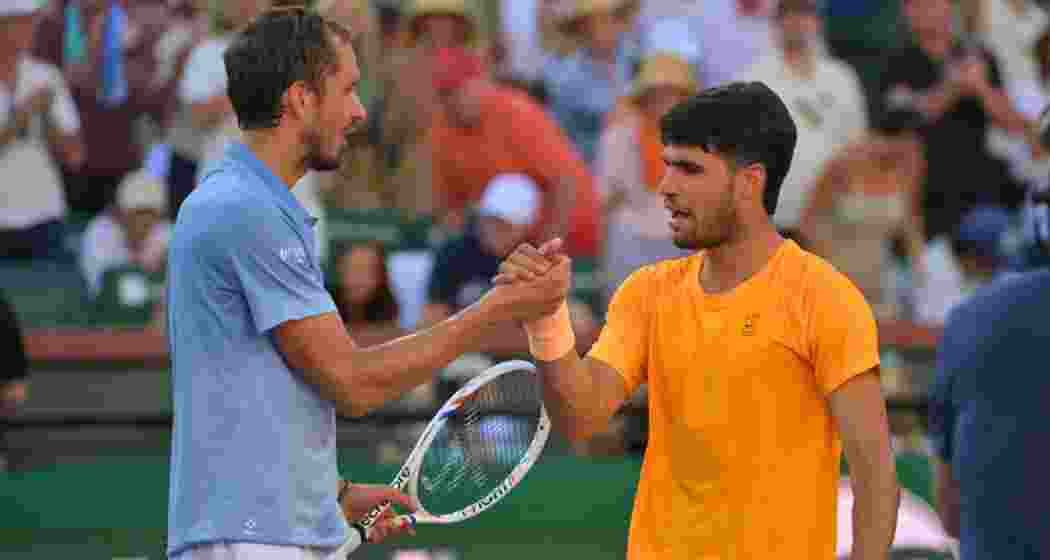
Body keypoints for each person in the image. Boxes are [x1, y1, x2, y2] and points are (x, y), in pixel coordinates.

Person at [165, 9, 567, 560]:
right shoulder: (245, 210)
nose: (358, 111)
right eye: (348, 90)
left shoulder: (252, 204)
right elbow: (352, 384)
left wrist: (332, 495)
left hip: (271, 527)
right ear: (302, 99)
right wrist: (499, 307)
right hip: (252, 537)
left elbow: (262, 391)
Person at [495, 82, 900, 559]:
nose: (665, 186)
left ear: (750, 182)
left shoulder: (825, 299)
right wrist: (547, 321)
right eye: (667, 166)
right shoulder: (646, 292)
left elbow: (875, 478)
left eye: (688, 169)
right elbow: (580, 419)